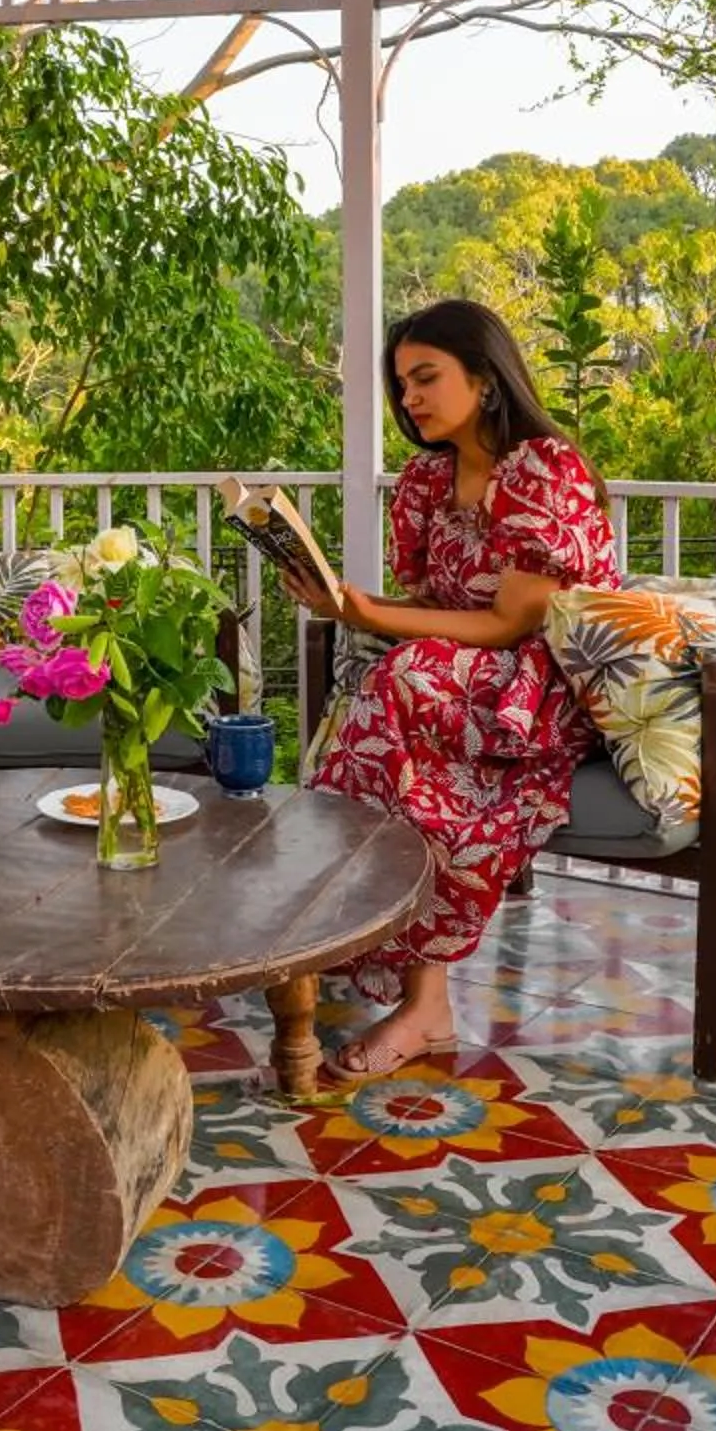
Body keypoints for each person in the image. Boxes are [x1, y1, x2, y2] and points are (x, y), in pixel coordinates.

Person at [283, 298, 619, 1082]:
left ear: (487, 379)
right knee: (382, 701)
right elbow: (436, 609)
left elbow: (509, 625)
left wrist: (367, 612)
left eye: (426, 378)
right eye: (403, 385)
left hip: (539, 684)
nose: (411, 399)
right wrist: (344, 603)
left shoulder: (544, 468)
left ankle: (414, 993)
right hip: (455, 675)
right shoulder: (429, 478)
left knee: (396, 685)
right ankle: (389, 966)